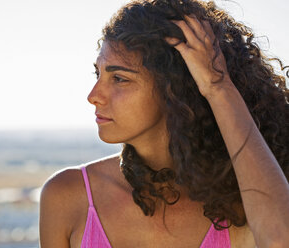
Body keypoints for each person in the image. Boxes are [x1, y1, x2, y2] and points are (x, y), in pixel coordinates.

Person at [39, 0, 289, 247]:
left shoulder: (238, 204)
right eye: (99, 74)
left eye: (118, 78)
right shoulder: (68, 196)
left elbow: (279, 239)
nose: (94, 95)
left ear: (174, 90)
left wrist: (217, 87)